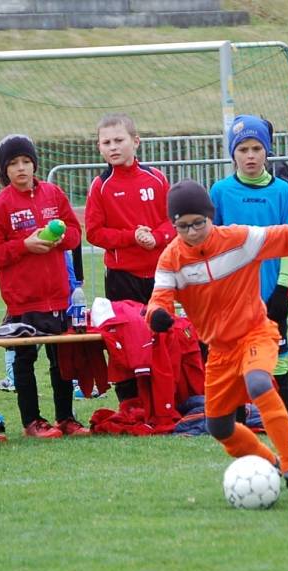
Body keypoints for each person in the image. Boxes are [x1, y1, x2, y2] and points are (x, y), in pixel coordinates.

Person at [146, 179, 288, 501]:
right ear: (174, 225)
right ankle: (274, 464)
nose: (193, 231)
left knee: (259, 383)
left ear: (211, 216)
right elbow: (159, 297)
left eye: (199, 223)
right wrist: (156, 315)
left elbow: (281, 235)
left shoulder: (238, 239)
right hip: (219, 352)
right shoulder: (171, 258)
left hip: (255, 332)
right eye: (183, 226)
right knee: (219, 427)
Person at [0, 135, 89, 438]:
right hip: (23, 301)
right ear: (4, 170)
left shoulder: (53, 194)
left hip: (57, 297)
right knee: (25, 361)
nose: (21, 168)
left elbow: (74, 233)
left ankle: (66, 417)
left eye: (26, 162)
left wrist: (58, 239)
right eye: (13, 164)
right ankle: (33, 421)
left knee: (61, 361)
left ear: (34, 164)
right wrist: (25, 245)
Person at [210, 115, 288, 414]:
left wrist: (282, 289)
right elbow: (210, 244)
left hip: (271, 289)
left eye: (257, 148)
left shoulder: (281, 191)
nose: (250, 155)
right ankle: (237, 423)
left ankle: (282, 418)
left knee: (278, 353)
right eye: (243, 149)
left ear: (267, 151)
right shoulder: (220, 191)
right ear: (233, 153)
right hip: (232, 295)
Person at [85, 113, 174, 402]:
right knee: (124, 340)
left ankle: (164, 396)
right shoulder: (100, 187)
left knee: (162, 337)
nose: (113, 147)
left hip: (160, 276)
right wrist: (131, 237)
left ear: (135, 142)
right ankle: (130, 402)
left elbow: (172, 221)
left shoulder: (156, 178)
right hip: (122, 278)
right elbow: (95, 233)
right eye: (106, 142)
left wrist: (158, 237)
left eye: (119, 140)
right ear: (99, 147)